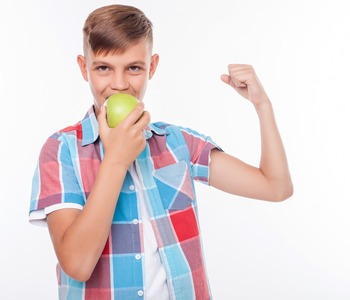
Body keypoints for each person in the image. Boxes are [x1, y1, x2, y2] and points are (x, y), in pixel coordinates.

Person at [29, 4, 293, 300]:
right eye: (103, 68)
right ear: (83, 67)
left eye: (134, 68)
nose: (119, 84)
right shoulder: (61, 151)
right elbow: (77, 265)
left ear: (151, 67)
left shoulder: (177, 143)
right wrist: (116, 159)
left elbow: (275, 187)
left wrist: (263, 106)